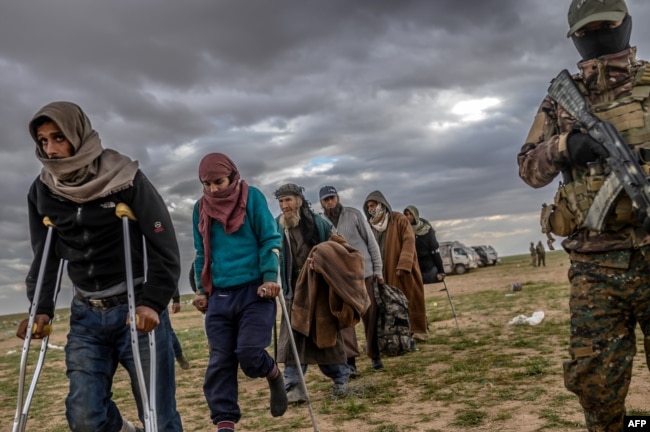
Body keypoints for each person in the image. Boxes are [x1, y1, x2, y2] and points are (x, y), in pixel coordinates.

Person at [517, 1, 650, 429]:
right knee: (597, 388)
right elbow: (527, 169)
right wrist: (563, 147)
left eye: (607, 26)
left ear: (625, 25)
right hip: (595, 268)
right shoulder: (561, 101)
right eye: (589, 30)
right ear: (575, 36)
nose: (598, 37)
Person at [16, 101, 183, 432]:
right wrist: (41, 307)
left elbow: (163, 244)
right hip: (86, 314)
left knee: (159, 416)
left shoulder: (125, 179)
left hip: (136, 308)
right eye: (43, 141)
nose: (51, 149)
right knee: (84, 417)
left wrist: (154, 300)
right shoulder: (43, 190)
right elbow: (45, 254)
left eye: (58, 138)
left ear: (77, 135)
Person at [190, 153, 287, 432]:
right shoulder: (201, 208)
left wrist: (270, 278)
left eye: (218, 182)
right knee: (220, 360)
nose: (213, 189)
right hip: (220, 293)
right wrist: (201, 290)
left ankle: (272, 372)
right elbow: (202, 253)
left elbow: (270, 238)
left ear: (233, 176)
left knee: (248, 353)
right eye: (207, 184)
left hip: (255, 291)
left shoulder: (253, 197)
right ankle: (225, 424)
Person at [274, 183, 350, 403]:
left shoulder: (320, 223)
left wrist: (322, 261)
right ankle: (294, 387)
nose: (284, 206)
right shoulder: (277, 227)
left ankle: (341, 379)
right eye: (280, 202)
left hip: (318, 290)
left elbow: (340, 248)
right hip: (292, 291)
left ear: (298, 200)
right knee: (292, 340)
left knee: (326, 336)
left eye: (288, 200)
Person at [320, 185, 385, 373]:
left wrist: (378, 271)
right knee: (345, 320)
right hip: (340, 280)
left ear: (338, 198)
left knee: (370, 316)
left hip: (364, 273)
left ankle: (375, 356)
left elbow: (371, 242)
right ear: (322, 203)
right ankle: (350, 362)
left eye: (332, 198)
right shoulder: (322, 222)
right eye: (326, 200)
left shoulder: (354, 214)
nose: (330, 202)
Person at [363, 191, 427, 343]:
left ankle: (418, 330)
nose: (371, 209)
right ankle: (394, 334)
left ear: (381, 204)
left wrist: (404, 264)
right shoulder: (371, 226)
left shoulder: (398, 219)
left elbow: (408, 240)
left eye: (373, 205)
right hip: (383, 270)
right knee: (388, 304)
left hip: (402, 270)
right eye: (368, 207)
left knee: (410, 298)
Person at [403, 205, 446, 284]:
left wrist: (441, 271)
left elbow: (435, 251)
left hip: (429, 265)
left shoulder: (426, 229)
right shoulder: (404, 230)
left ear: (415, 215)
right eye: (406, 214)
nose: (408, 216)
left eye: (411, 214)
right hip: (413, 266)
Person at [169, 288, 190, 370]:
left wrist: (176, 299)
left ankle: (179, 355)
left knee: (167, 331)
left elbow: (170, 278)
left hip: (155, 303)